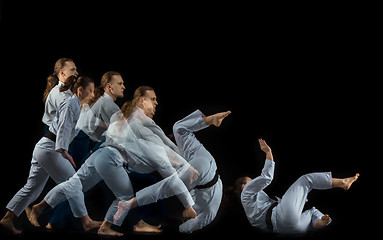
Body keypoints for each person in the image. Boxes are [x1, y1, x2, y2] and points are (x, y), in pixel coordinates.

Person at [28, 86, 198, 236]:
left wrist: (182, 163)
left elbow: (162, 146)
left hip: (99, 154)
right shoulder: (138, 124)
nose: (156, 103)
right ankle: (106, 227)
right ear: (140, 101)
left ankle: (39, 207)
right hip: (110, 158)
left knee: (75, 185)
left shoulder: (123, 117)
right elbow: (163, 154)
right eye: (153, 100)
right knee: (125, 196)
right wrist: (188, 201)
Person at [0, 76, 94, 234]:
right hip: (51, 148)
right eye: (90, 91)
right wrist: (64, 151)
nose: (92, 95)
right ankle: (86, 221)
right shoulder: (71, 103)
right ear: (80, 90)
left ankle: (8, 218)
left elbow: (76, 127)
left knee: (32, 188)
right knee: (74, 182)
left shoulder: (78, 106)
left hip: (44, 148)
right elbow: (63, 126)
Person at [114, 109, 232, 233]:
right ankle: (128, 205)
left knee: (179, 129)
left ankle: (210, 120)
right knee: (163, 188)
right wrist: (183, 220)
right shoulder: (208, 212)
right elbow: (187, 225)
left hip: (205, 161)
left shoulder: (211, 203)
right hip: (201, 170)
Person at [46, 71, 125, 230]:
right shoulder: (107, 103)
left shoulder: (100, 102)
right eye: (120, 84)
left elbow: (97, 124)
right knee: (80, 184)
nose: (124, 86)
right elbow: (123, 129)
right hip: (85, 143)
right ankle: (50, 216)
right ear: (109, 87)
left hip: (90, 143)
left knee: (82, 184)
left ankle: (51, 216)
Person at [236, 138, 359, 234]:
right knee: (306, 180)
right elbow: (266, 177)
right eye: (251, 181)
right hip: (281, 216)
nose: (254, 182)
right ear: (244, 185)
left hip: (289, 229)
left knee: (312, 212)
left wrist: (303, 193)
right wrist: (268, 153)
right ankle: (343, 183)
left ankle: (320, 222)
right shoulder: (246, 192)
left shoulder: (251, 214)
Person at [42, 58, 79, 132]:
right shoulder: (60, 94)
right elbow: (70, 119)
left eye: (75, 69)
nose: (76, 73)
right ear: (62, 73)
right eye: (72, 70)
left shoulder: (69, 91)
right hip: (55, 133)